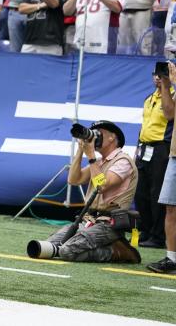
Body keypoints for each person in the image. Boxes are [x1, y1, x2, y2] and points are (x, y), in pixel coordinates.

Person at [42, 121, 140, 263]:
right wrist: (81, 150)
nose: (95, 137)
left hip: (109, 224)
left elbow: (102, 186)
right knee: (50, 246)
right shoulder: (100, 162)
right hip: (89, 220)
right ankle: (104, 244)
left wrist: (91, 157)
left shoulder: (123, 161)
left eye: (99, 133)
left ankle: (118, 251)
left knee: (66, 251)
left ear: (112, 137)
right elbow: (73, 180)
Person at [135, 65, 173, 249]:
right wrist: (138, 147)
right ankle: (147, 230)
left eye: (162, 74)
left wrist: (167, 85)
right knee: (140, 192)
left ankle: (158, 237)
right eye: (156, 74)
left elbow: (169, 115)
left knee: (157, 194)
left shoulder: (171, 96)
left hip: (161, 149)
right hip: (144, 148)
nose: (158, 78)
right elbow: (145, 125)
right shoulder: (148, 98)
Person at [147, 61, 176, 274]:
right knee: (170, 207)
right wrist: (166, 85)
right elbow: (169, 114)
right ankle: (171, 258)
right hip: (175, 153)